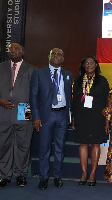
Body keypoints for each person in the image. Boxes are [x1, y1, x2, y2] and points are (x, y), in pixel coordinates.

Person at [0, 43, 36, 188]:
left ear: (23, 52)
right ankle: (5, 176)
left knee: (23, 146)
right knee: (3, 146)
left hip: (24, 110)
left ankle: (21, 175)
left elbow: (35, 94)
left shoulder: (32, 70)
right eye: (11, 49)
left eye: (16, 49)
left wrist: (33, 112)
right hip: (2, 112)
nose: (13, 51)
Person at [30, 48, 73, 190]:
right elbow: (33, 96)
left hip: (62, 115)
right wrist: (35, 116)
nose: (56, 56)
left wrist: (70, 116)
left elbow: (69, 97)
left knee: (60, 148)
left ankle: (58, 176)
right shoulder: (38, 73)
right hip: (45, 116)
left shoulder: (68, 75)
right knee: (44, 149)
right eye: (53, 54)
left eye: (59, 54)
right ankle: (43, 177)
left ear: (63, 58)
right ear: (48, 57)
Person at [71, 55, 109, 186]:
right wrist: (74, 118)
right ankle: (84, 173)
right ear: (83, 66)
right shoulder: (77, 80)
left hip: (98, 117)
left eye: (91, 63)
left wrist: (106, 120)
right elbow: (74, 101)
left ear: (96, 65)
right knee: (83, 144)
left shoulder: (103, 81)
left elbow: (107, 102)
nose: (89, 65)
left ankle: (93, 173)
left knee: (96, 144)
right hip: (81, 116)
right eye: (86, 63)